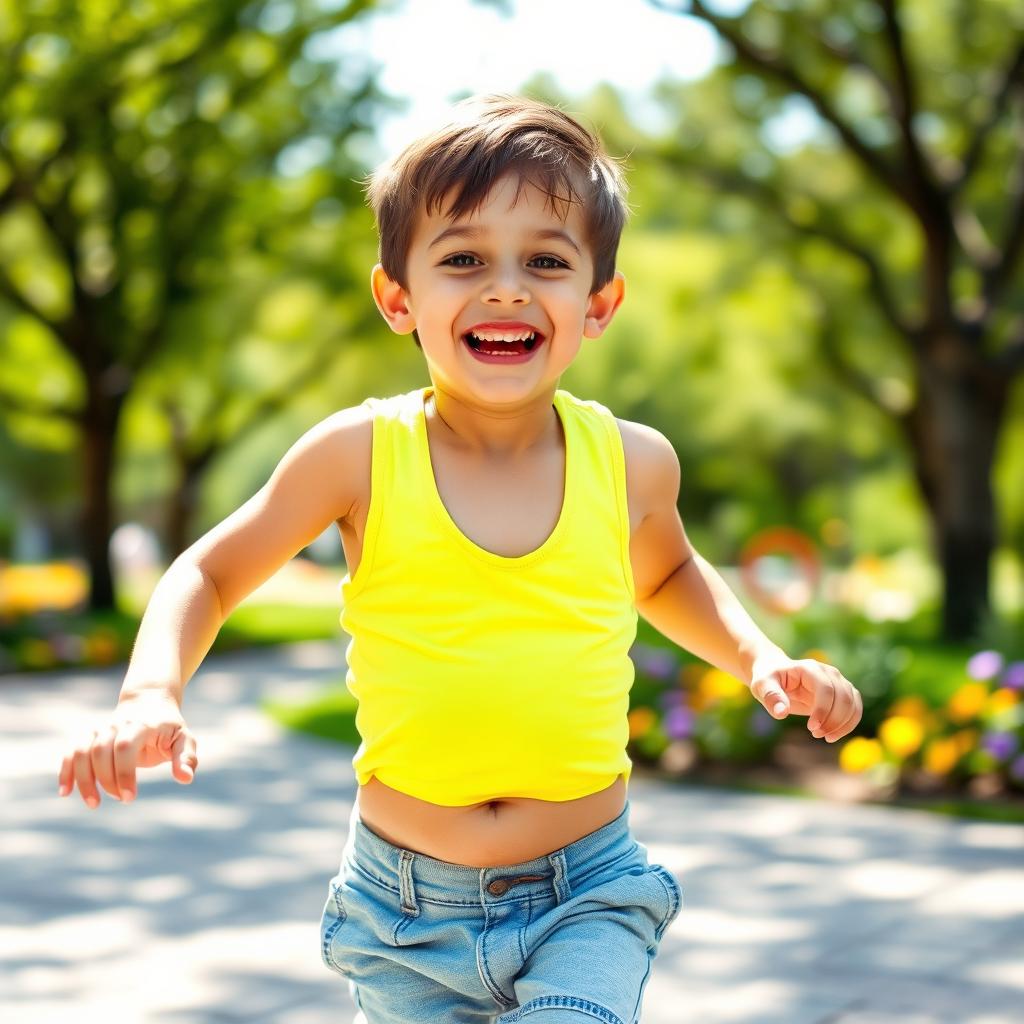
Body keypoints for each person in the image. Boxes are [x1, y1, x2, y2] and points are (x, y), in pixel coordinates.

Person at [57, 93, 863, 1023]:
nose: (508, 288)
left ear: (599, 303)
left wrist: (762, 658)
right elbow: (209, 570)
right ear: (399, 298)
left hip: (585, 892)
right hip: (402, 914)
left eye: (548, 263)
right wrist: (148, 693)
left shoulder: (633, 461)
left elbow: (671, 576)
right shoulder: (358, 455)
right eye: (464, 258)